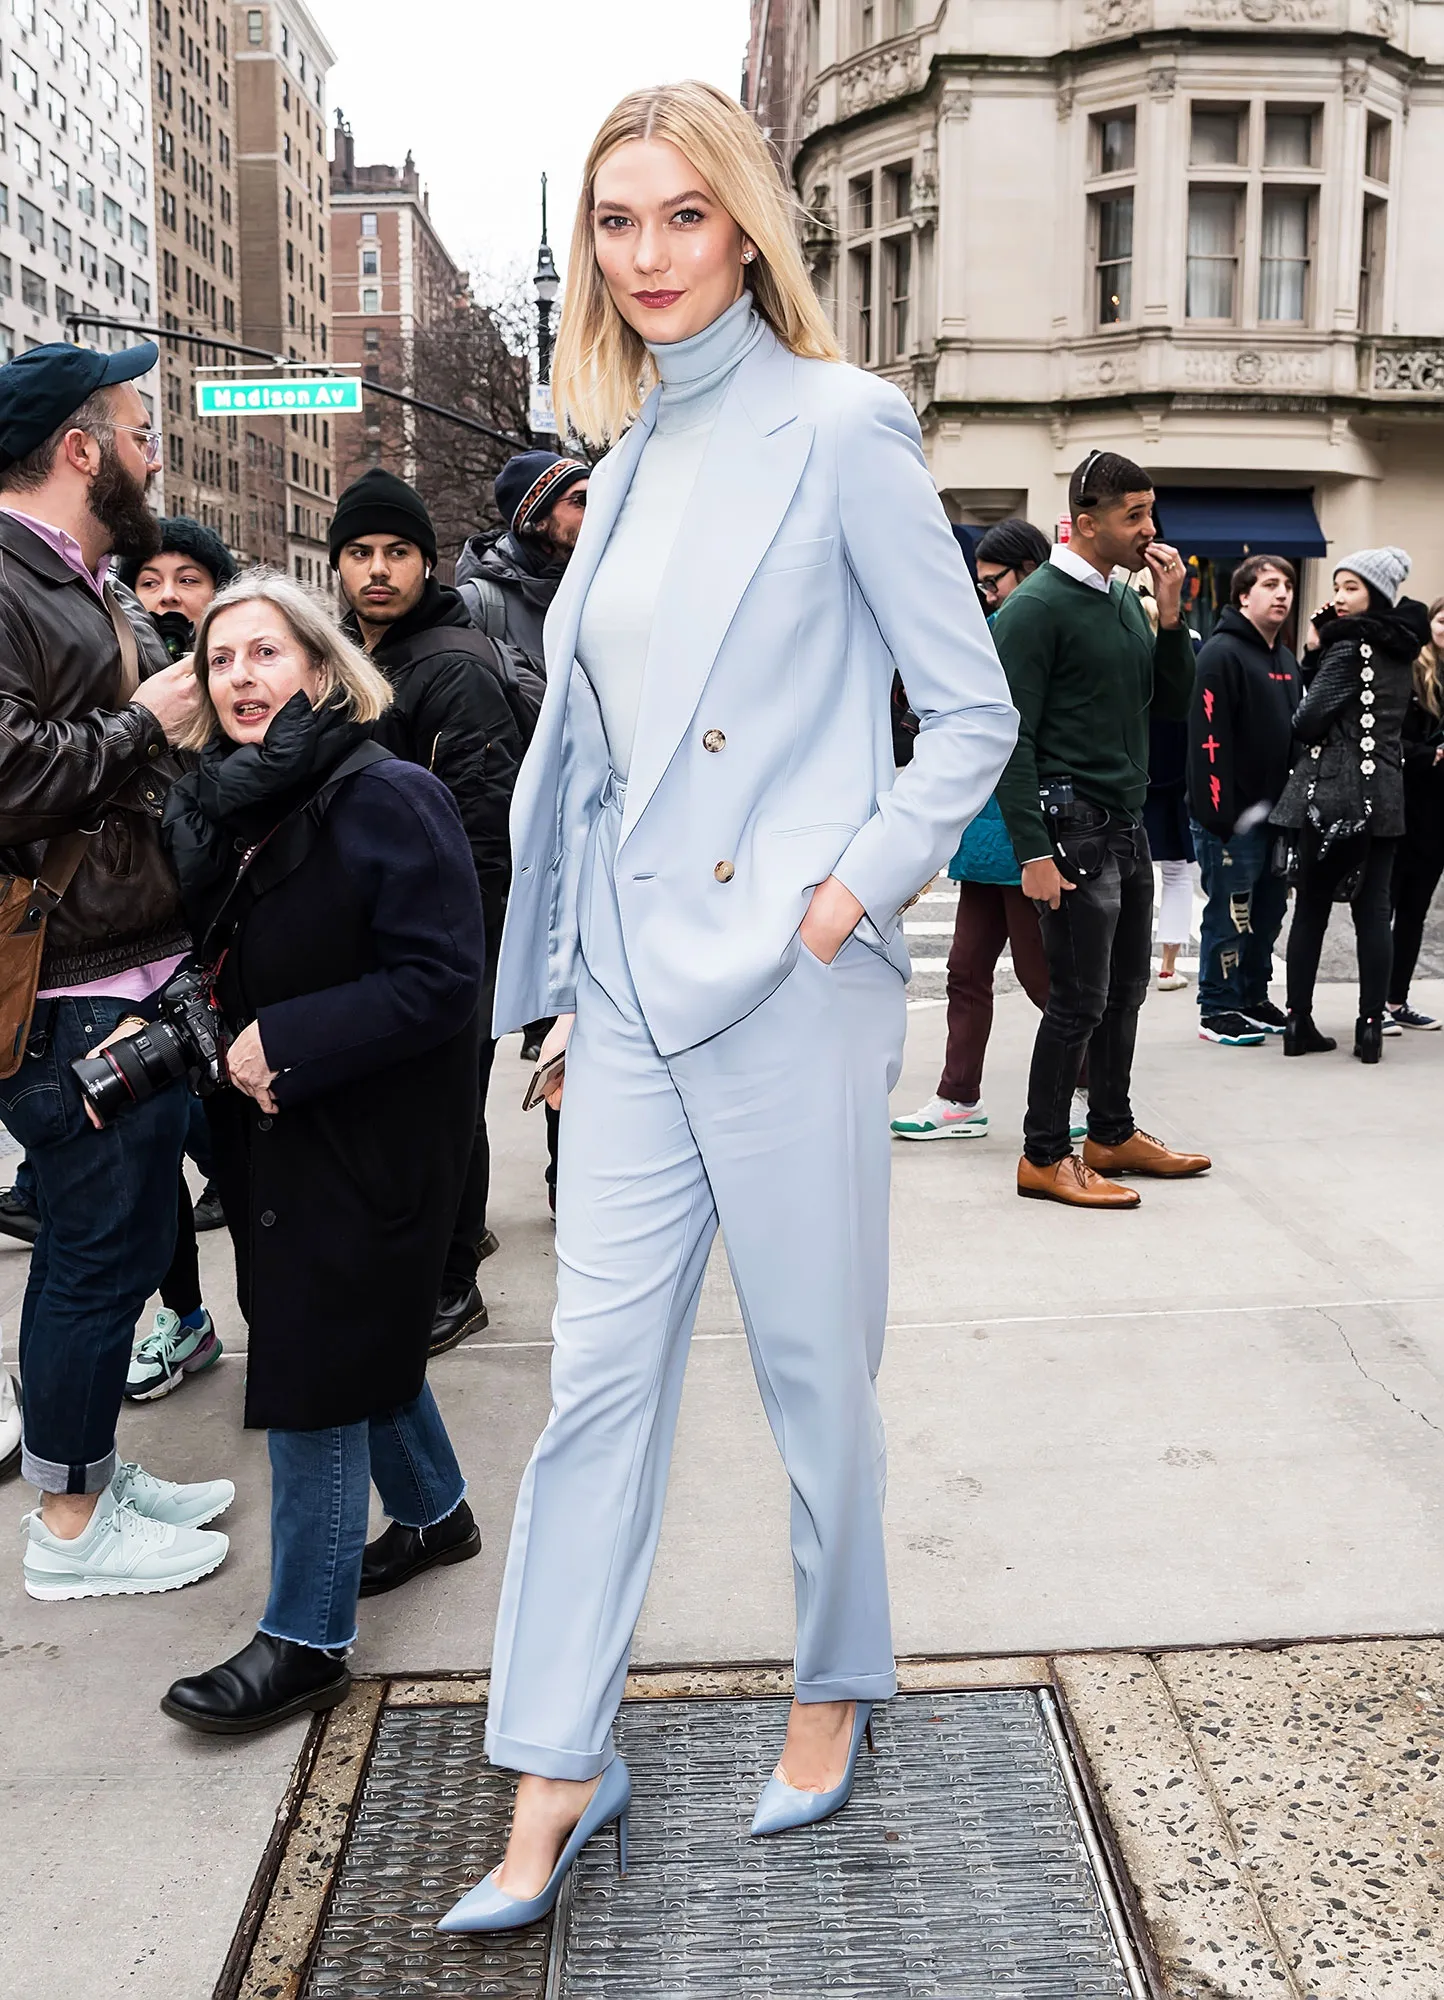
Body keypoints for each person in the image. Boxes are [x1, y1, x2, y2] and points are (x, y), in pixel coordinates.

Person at [436, 81, 1017, 1937]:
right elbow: (596, 767)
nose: (648, 255)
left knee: (808, 1369)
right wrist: (557, 988)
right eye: (616, 222)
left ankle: (835, 1675)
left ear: (747, 228)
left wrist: (844, 895)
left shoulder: (841, 426)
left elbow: (971, 713)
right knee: (593, 1388)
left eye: (683, 215)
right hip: (623, 999)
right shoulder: (615, 462)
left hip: (783, 982)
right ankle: (554, 1766)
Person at [156, 572, 486, 1734]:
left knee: (310, 1364)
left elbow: (444, 978)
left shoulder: (387, 791)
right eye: (219, 659)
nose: (241, 676)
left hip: (372, 1132)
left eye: (265, 652)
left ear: (320, 668)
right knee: (348, 1332)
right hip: (277, 1126)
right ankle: (437, 1513)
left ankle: (304, 1637)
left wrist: (285, 1038)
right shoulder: (232, 805)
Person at [0, 342, 237, 1601]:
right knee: (97, 1252)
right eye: (141, 431)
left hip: (122, 963)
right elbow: (11, 774)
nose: (156, 455)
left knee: (123, 1236)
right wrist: (153, 716)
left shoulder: (75, 580)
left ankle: (84, 1468)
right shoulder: (6, 577)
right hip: (63, 982)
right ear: (81, 447)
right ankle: (70, 1526)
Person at [330, 468, 524, 1354]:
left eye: (397, 552)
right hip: (378, 935)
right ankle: (439, 1247)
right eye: (360, 552)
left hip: (447, 938)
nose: (378, 570)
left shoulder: (452, 666)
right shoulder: (350, 656)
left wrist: (459, 959)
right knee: (410, 1112)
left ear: (427, 562)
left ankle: (454, 1281)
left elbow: (483, 832)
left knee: (446, 1111)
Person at [992, 449, 1210, 1211]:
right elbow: (1008, 737)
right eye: (1134, 515)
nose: (1151, 529)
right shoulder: (1034, 608)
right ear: (1086, 524)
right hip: (1070, 820)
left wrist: (1172, 616)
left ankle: (1110, 1134)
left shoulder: (1122, 597)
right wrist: (1032, 850)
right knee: (1078, 1000)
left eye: (1151, 512)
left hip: (1122, 819)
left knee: (1124, 993)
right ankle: (1043, 1155)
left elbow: (1170, 705)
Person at [892, 519, 1086, 1146]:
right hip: (987, 829)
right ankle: (958, 1096)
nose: (985, 592)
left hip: (1020, 828)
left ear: (1027, 569)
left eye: (992, 581)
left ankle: (1091, 1087)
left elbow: (1018, 734)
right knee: (966, 970)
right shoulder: (999, 626)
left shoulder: (1031, 626)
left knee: (1039, 975)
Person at [1272, 548, 1432, 1061]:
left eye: (1351, 588)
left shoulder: (1347, 647)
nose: (1339, 597)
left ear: (1376, 593)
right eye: (1337, 586)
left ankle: (1297, 1022)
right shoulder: (1403, 647)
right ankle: (1370, 1028)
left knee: (1312, 908)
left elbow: (1306, 721)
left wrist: (1316, 652)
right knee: (1374, 910)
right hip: (1382, 789)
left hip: (1330, 790)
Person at [1188, 555, 1300, 1048]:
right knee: (1230, 914)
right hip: (1231, 819)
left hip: (1279, 815)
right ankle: (1217, 1007)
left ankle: (1253, 996)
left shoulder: (1285, 658)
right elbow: (1208, 741)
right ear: (1243, 596)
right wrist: (1219, 816)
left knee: (1269, 913)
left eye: (1288, 585)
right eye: (1270, 584)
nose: (1282, 593)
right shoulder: (1221, 654)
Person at [455, 452, 590, 660]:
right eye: (582, 500)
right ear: (539, 520)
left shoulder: (601, 589)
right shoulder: (477, 606)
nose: (595, 509)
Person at [1386, 594, 1444, 1031]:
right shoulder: (1409, 671)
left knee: (1414, 912)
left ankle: (1396, 1001)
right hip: (1402, 804)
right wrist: (1430, 755)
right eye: (1442, 621)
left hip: (1438, 815)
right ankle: (1373, 1004)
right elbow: (1389, 739)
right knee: (1383, 907)